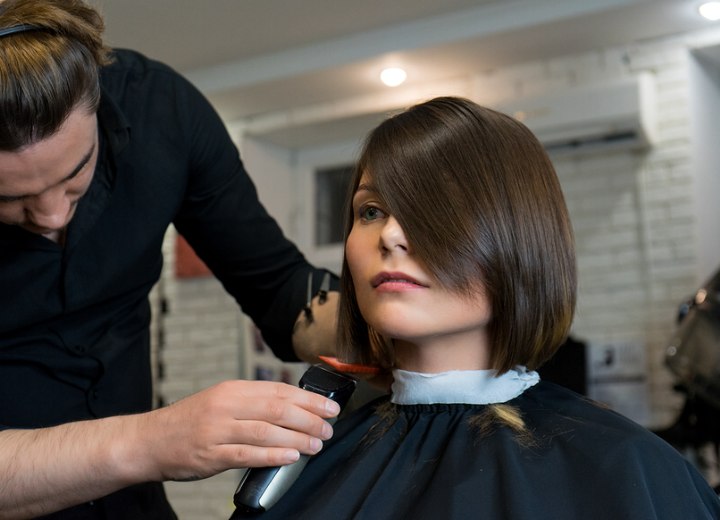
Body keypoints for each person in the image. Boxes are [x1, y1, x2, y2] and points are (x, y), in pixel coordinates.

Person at [230, 97, 720, 519]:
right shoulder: (306, 460)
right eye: (371, 210)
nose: (392, 235)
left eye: (434, 208)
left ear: (519, 238)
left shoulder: (628, 467)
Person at [0, 1, 342, 518]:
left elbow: (281, 289)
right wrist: (154, 440)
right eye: (9, 198)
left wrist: (394, 327)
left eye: (75, 174)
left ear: (97, 91)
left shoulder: (161, 110)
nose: (49, 216)